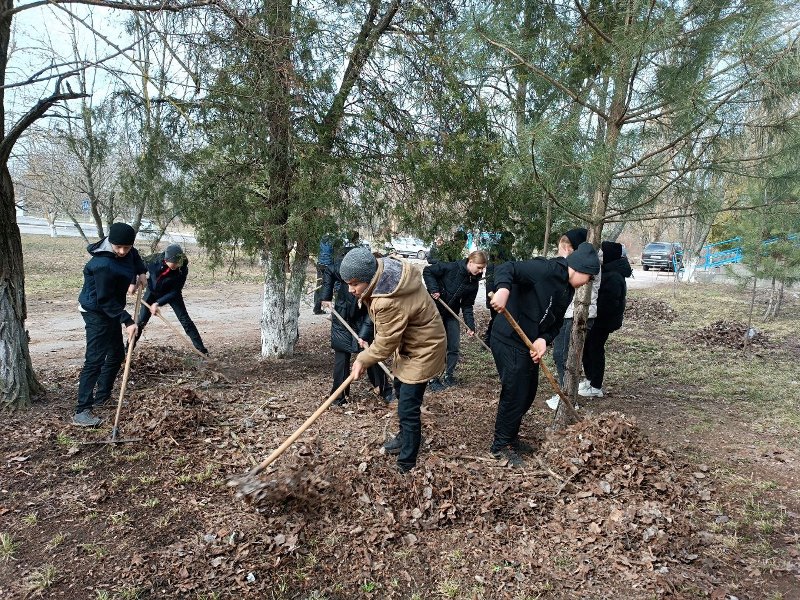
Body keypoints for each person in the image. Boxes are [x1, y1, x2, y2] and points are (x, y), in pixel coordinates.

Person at [488, 242, 600, 467]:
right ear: (579, 269)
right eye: (588, 277)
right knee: (515, 391)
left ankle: (510, 438)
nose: (587, 282)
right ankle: (500, 446)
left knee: (528, 393)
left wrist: (543, 339)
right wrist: (503, 290)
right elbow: (507, 268)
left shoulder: (567, 289)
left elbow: (555, 323)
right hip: (508, 338)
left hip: (529, 343)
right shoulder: (546, 270)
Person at [340, 246, 446, 473]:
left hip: (423, 349)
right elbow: (383, 327)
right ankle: (404, 437)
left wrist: (363, 359)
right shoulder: (382, 276)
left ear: (368, 278)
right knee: (400, 389)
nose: (351, 290)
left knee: (408, 406)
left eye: (354, 284)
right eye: (348, 283)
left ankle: (407, 461)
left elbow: (386, 342)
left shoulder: (388, 298)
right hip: (410, 345)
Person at [73, 223, 147, 427]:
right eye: (118, 247)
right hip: (96, 311)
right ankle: (82, 410)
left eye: (127, 247)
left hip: (112, 309)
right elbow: (104, 300)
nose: (123, 251)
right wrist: (128, 321)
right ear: (110, 242)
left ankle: (102, 396)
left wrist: (140, 272)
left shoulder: (128, 251)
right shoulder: (102, 265)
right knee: (95, 358)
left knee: (116, 354)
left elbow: (136, 256)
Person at [320, 252, 393, 405]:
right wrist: (326, 297)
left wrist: (363, 335)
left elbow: (372, 314)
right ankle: (338, 397)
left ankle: (384, 390)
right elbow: (329, 270)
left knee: (370, 353)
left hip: (365, 317)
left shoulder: (381, 283)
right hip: (343, 316)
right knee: (342, 358)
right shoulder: (350, 269)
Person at [546, 227, 602, 409]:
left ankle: (567, 397)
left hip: (574, 315)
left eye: (565, 249)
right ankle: (567, 393)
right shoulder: (586, 262)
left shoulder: (584, 266)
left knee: (562, 355)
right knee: (568, 355)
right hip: (574, 314)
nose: (563, 253)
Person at [422, 250, 487, 391]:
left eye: (483, 268)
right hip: (435, 312)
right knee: (437, 346)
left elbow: (467, 305)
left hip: (452, 314)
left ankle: (448, 375)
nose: (481, 271)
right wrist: (433, 288)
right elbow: (428, 271)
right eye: (479, 267)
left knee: (454, 346)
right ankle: (432, 379)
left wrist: (470, 325)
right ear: (470, 262)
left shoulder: (473, 282)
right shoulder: (451, 267)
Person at [134, 244, 208, 355]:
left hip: (171, 293)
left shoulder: (182, 268)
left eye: (178, 263)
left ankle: (202, 351)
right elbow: (138, 268)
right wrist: (135, 280)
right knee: (140, 322)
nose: (176, 266)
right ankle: (127, 349)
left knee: (186, 321)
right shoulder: (152, 260)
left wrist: (158, 303)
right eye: (174, 264)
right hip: (152, 292)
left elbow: (176, 291)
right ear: (165, 259)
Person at [580, 241, 632, 398]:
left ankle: (596, 385)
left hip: (602, 322)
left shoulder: (614, 276)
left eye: (603, 253)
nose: (600, 256)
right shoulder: (608, 271)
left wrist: (594, 313)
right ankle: (590, 380)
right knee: (588, 348)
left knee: (595, 350)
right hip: (598, 320)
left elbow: (609, 304)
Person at [483, 231, 515, 347]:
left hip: (502, 290)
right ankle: (488, 339)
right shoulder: (497, 254)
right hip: (493, 290)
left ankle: (492, 339)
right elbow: (491, 277)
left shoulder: (510, 257)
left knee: (499, 317)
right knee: (496, 316)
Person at [313, 234, 337, 314]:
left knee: (319, 286)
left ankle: (317, 308)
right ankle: (336, 308)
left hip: (320, 264)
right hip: (329, 266)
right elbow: (335, 254)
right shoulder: (333, 239)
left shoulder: (320, 238)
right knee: (332, 285)